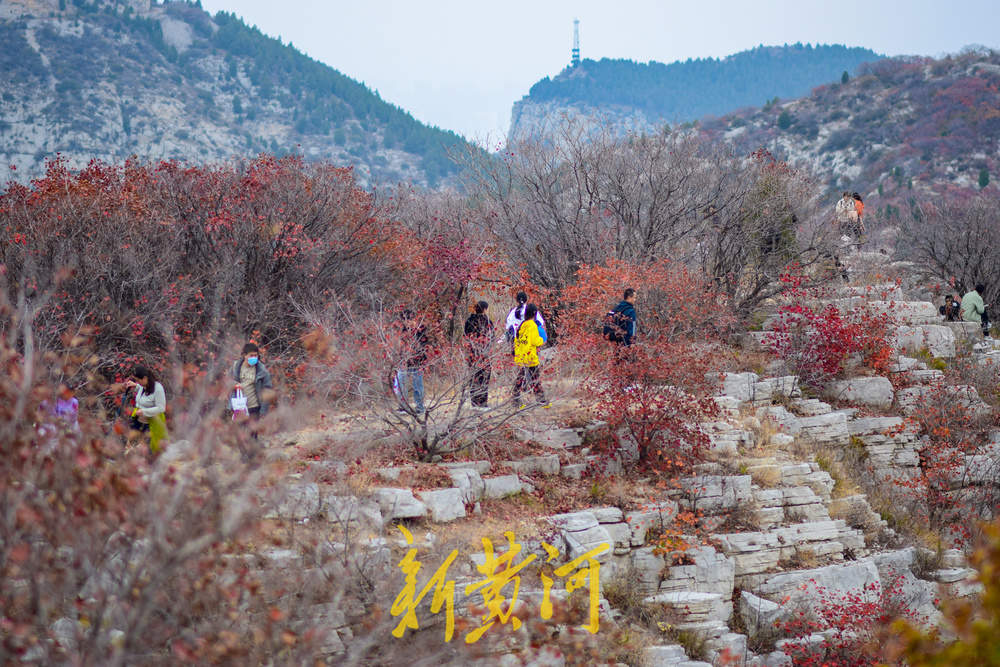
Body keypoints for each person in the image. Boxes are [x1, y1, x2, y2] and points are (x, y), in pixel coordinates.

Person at [126, 365, 168, 454]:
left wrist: (144, 411)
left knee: (146, 450)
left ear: (145, 378)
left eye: (138, 380)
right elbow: (144, 394)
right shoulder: (143, 385)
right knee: (130, 443)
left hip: (151, 423)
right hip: (138, 420)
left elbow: (161, 408)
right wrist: (135, 385)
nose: (137, 382)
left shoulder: (158, 388)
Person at [512, 303, 547, 408]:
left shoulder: (523, 324)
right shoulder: (532, 325)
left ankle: (516, 401)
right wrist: (542, 340)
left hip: (521, 355)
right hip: (530, 356)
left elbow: (517, 340)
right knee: (535, 379)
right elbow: (535, 341)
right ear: (534, 313)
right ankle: (541, 401)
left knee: (520, 379)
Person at [396, 309, 428, 415]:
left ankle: (420, 407)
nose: (406, 322)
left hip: (417, 361)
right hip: (404, 361)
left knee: (417, 385)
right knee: (400, 383)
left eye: (407, 320)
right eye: (404, 320)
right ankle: (403, 407)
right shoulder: (404, 330)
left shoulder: (421, 329)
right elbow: (401, 345)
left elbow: (424, 345)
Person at [464, 301, 495, 409]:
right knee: (484, 378)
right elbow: (492, 338)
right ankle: (482, 403)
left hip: (471, 354)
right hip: (484, 354)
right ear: (485, 309)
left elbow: (466, 337)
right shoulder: (487, 322)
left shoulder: (469, 321)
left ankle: (474, 403)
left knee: (473, 378)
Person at [231, 342, 274, 420]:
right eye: (251, 355)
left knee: (253, 431)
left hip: (254, 408)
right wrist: (234, 385)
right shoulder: (235, 367)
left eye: (255, 355)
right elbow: (227, 382)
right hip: (239, 407)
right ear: (244, 355)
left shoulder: (262, 370)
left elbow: (267, 390)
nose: (254, 358)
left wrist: (263, 411)